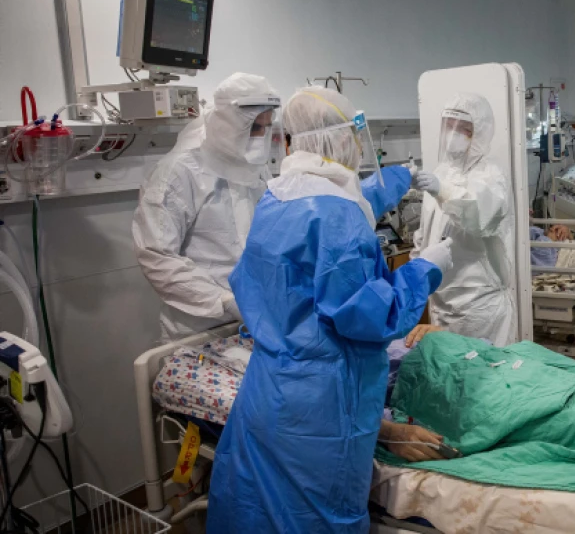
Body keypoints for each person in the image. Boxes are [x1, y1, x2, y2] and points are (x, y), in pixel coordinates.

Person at [206, 86, 453, 534]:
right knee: (317, 517)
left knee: (257, 508)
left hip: (271, 390)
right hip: (323, 404)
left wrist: (400, 178)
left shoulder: (278, 197)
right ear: (341, 139)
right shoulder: (336, 216)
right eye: (355, 135)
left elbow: (350, 201)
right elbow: (372, 316)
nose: (359, 147)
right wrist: (425, 270)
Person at [133, 72, 281, 341]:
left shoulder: (255, 166)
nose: (260, 137)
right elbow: (157, 257)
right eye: (254, 127)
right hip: (197, 328)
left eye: (266, 127)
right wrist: (224, 301)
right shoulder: (178, 172)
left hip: (255, 321)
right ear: (228, 122)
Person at [412, 93, 516, 346]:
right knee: (450, 380)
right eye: (449, 125)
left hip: (479, 306)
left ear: (480, 133)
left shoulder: (491, 175)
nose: (453, 133)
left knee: (483, 379)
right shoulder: (440, 173)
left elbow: (480, 215)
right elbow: (426, 232)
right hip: (441, 302)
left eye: (464, 129)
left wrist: (443, 191)